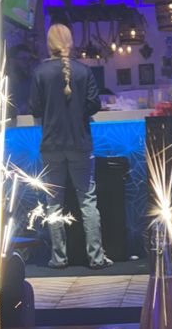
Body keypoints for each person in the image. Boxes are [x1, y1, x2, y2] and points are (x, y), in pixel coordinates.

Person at [29, 24, 112, 269]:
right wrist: (78, 113)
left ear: (49, 43)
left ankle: (58, 258)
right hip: (80, 144)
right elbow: (94, 104)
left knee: (54, 203)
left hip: (51, 145)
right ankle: (96, 258)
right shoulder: (84, 71)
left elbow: (34, 107)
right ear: (70, 42)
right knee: (88, 201)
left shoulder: (40, 72)